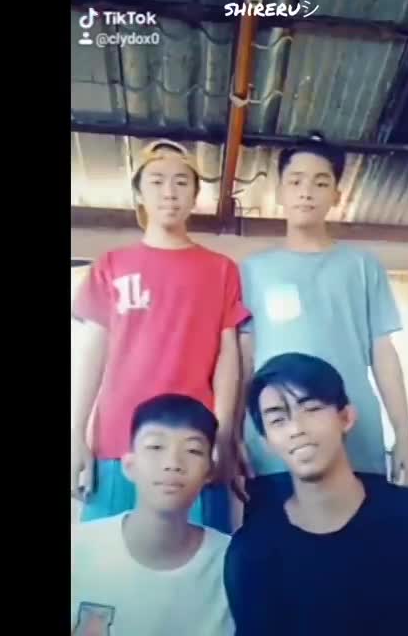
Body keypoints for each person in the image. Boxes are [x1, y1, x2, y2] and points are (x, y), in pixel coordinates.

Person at [71, 140, 249, 532]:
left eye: (181, 182)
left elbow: (228, 358)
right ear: (139, 192)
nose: (169, 192)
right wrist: (75, 433)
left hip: (195, 442)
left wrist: (223, 432)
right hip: (118, 442)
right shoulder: (111, 266)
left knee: (203, 559)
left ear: (195, 195)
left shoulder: (221, 269)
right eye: (156, 181)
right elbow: (91, 355)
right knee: (106, 558)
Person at [237, 134, 408, 517]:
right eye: (296, 181)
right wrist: (233, 435)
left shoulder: (362, 266)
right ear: (280, 191)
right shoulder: (252, 272)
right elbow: (244, 362)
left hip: (358, 438)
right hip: (277, 444)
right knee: (280, 544)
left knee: (364, 544)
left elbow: (383, 355)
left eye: (320, 182)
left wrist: (403, 434)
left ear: (336, 195)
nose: (306, 192)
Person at [224, 353, 408, 636]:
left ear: (346, 417)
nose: (296, 429)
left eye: (311, 409)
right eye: (278, 420)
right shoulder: (253, 552)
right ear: (267, 442)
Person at [72, 393, 235, 635]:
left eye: (192, 450)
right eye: (156, 447)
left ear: (209, 472)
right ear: (129, 466)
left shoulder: (233, 562)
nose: (172, 463)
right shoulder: (78, 548)